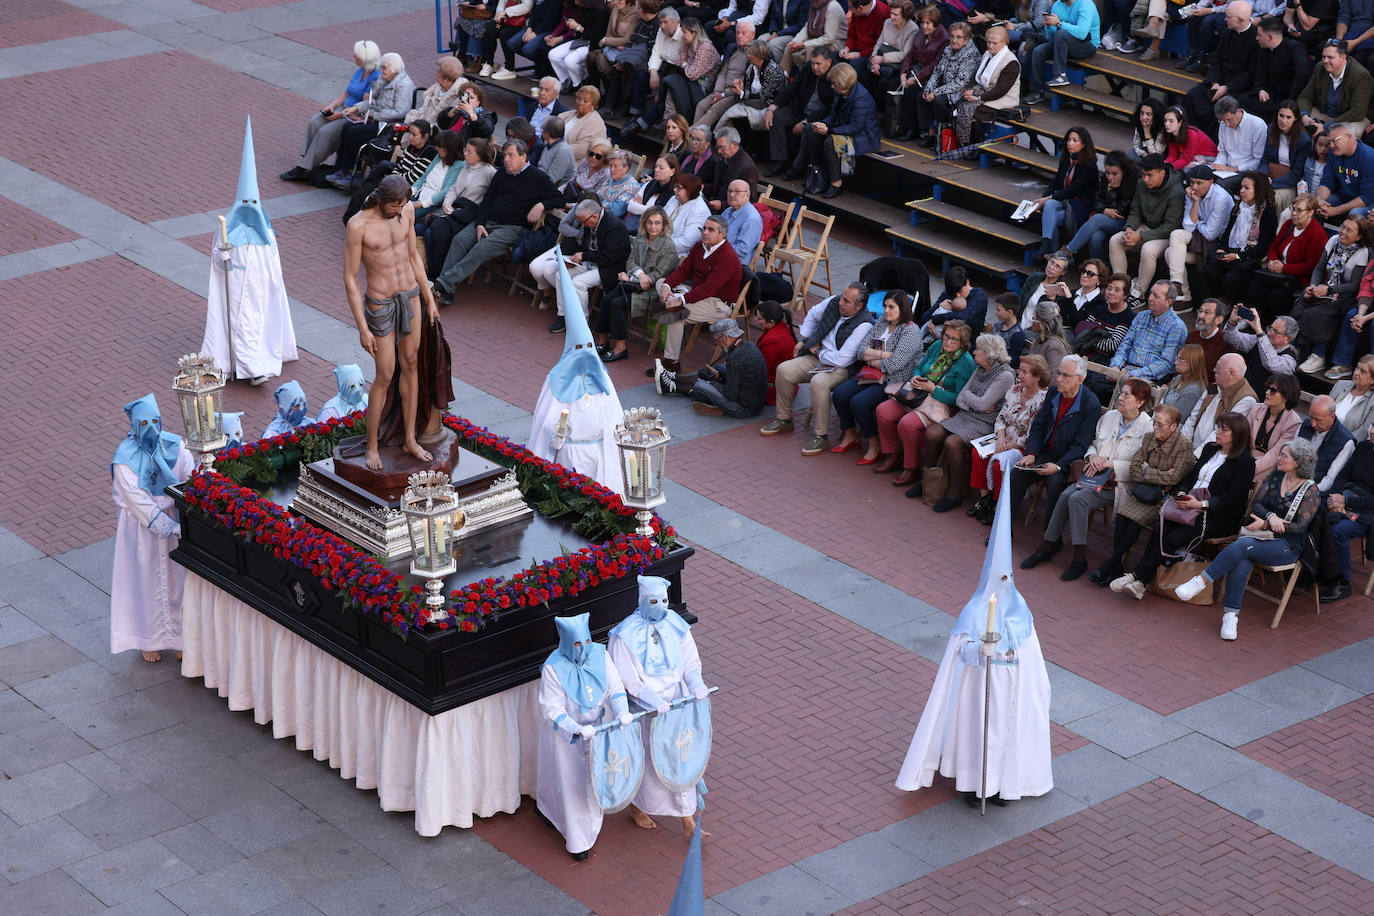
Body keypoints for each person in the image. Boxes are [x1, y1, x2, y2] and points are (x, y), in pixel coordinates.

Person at [896, 481, 1053, 809]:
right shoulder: (975, 610)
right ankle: (975, 783)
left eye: (1008, 580)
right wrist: (978, 652)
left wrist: (1023, 671)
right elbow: (960, 649)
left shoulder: (1021, 611)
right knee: (979, 734)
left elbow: (1030, 652)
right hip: (980, 685)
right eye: (999, 581)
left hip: (1011, 686)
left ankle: (1002, 786)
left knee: (1007, 734)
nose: (1004, 587)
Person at [1174, 439, 1322, 640]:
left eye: (1284, 456)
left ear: (1298, 462)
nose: (1278, 458)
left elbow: (1300, 527)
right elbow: (1258, 505)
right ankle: (1230, 616)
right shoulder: (1277, 476)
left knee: (1242, 546)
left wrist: (1265, 524)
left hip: (1287, 546)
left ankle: (1202, 581)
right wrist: (1270, 517)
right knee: (1243, 556)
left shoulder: (1310, 491)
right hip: (1259, 538)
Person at [344, 175, 444, 469]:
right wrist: (362, 327)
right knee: (385, 374)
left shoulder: (407, 211)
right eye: (395, 206)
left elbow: (413, 256)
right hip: (381, 303)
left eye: (402, 205)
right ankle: (372, 445)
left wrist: (428, 298)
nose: (399, 211)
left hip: (411, 296)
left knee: (411, 364)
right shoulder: (358, 225)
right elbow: (350, 279)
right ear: (381, 199)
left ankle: (410, 438)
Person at [1108, 411, 1256, 592]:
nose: (1218, 432)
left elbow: (1233, 497)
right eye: (1218, 427)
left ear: (1237, 435)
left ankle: (1137, 577)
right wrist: (1182, 493)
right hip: (1189, 505)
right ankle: (1142, 583)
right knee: (1158, 531)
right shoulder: (1210, 449)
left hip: (1218, 515)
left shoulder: (1245, 462)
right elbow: (1190, 476)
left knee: (1174, 537)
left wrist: (1201, 504)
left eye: (1223, 430)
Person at [608, 577, 709, 836]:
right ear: (642, 601)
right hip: (648, 709)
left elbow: (690, 661)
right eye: (653, 602)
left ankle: (687, 818)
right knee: (651, 760)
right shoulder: (624, 635)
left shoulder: (676, 625)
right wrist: (654, 701)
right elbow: (627, 679)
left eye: (664, 601)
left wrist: (696, 683)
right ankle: (638, 806)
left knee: (681, 755)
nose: (660, 606)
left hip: (679, 703)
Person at [1026, 377, 1153, 580]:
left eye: (1126, 395)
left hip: (1119, 485)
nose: (1120, 398)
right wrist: (1092, 455)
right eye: (1121, 393)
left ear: (1140, 402)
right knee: (1066, 494)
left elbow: (1142, 468)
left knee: (1076, 498)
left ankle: (1079, 559)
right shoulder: (1110, 416)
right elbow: (1092, 442)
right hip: (1093, 476)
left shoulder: (1148, 429)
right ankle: (1048, 545)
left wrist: (1112, 465)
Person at [205, 120, 300, 387]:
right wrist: (221, 256)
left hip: (258, 289)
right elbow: (216, 258)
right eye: (244, 203)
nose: (248, 208)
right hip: (234, 287)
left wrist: (271, 284)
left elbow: (274, 266)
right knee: (237, 325)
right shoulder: (226, 231)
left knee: (252, 326)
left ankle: (252, 364)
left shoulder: (266, 234)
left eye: (252, 203)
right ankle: (248, 367)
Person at [537, 613, 633, 859]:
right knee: (570, 784)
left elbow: (615, 687)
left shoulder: (601, 655)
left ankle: (581, 824)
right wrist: (576, 729)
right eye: (577, 644)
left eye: (586, 642)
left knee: (591, 783)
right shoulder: (553, 668)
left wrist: (622, 710)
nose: (583, 649)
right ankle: (577, 840)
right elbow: (553, 710)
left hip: (598, 732)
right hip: (567, 739)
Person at [110, 394, 197, 664]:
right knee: (145, 583)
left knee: (180, 582)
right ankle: (147, 638)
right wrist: (166, 524)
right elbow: (136, 499)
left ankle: (183, 637)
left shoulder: (175, 446)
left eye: (154, 420)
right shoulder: (124, 459)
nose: (150, 426)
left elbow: (188, 477)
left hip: (175, 520)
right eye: (143, 422)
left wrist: (184, 508)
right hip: (142, 531)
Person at [529, 255, 626, 489]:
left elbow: (615, 420)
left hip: (599, 456)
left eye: (588, 349)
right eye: (579, 349)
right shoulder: (557, 380)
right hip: (567, 456)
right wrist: (556, 433)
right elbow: (544, 422)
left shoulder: (602, 380)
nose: (584, 356)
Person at [431, 140, 566, 303]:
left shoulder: (538, 177)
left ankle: (441, 285)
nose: (506, 159)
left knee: (482, 248)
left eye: (511, 155)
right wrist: (480, 223)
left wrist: (541, 205)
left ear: (523, 157)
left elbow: (559, 199)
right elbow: (487, 199)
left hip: (513, 228)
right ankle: (446, 290)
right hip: (488, 221)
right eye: (505, 155)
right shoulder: (502, 172)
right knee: (460, 240)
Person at [762, 283, 878, 455]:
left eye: (846, 301)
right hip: (816, 356)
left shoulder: (864, 324)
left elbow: (843, 359)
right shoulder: (834, 301)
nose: (841, 302)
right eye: (842, 297)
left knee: (819, 382)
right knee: (784, 370)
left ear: (859, 306)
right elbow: (812, 315)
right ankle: (784, 419)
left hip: (841, 368)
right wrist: (803, 338)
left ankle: (821, 437)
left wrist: (817, 350)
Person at [1089, 403, 1195, 582]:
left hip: (1163, 498)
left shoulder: (1183, 445)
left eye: (1160, 424)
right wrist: (1156, 474)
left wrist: (1147, 471)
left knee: (1135, 519)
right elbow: (1134, 470)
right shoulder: (1149, 438)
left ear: (1173, 426)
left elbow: (1174, 479)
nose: (1155, 427)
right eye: (1154, 422)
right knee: (1123, 515)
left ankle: (1110, 565)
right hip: (1143, 493)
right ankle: (1115, 567)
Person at [873, 319, 975, 488]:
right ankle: (893, 455)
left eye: (954, 339)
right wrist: (916, 376)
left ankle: (912, 468)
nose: (948, 341)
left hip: (941, 403)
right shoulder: (936, 346)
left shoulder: (966, 362)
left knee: (907, 424)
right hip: (918, 392)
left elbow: (958, 399)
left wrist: (934, 389)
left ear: (963, 343)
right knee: (883, 411)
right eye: (946, 336)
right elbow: (919, 367)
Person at [924, 333, 1017, 510]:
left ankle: (955, 493)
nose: (974, 352)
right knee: (932, 433)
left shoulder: (1005, 375)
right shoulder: (980, 368)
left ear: (989, 353)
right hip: (966, 415)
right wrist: (974, 403)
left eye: (978, 350)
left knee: (952, 443)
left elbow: (983, 405)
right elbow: (961, 399)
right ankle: (928, 482)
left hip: (986, 422)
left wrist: (973, 400)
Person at [831, 290, 924, 461]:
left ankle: (874, 443)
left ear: (902, 308)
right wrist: (885, 354)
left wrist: (873, 357)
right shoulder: (881, 322)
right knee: (839, 394)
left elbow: (896, 364)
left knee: (858, 403)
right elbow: (860, 352)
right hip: (871, 374)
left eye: (891, 307)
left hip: (893, 380)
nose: (886, 310)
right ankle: (850, 433)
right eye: (885, 306)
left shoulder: (911, 331)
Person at [1007, 354, 1102, 520]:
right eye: (1058, 373)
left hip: (1068, 460)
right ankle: (1005, 529)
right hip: (1045, 453)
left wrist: (1058, 466)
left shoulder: (1090, 404)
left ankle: (1050, 539)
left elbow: (1081, 445)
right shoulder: (1054, 393)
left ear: (1080, 379)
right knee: (1018, 473)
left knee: (1055, 483)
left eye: (1065, 375)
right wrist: (1031, 453)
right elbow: (1038, 426)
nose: (1058, 379)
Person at [651, 215, 743, 374]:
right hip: (697, 293)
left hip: (719, 303)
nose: (705, 232)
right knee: (660, 282)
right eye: (704, 228)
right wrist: (667, 286)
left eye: (711, 230)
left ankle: (672, 363)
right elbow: (683, 270)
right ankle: (671, 304)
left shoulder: (727, 256)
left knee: (676, 316)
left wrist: (681, 300)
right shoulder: (699, 246)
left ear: (723, 234)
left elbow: (710, 288)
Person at [967, 354, 1052, 522]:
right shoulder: (1015, 389)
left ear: (1038, 377)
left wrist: (1007, 445)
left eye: (1024, 372)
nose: (1019, 375)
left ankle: (999, 505)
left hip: (1022, 445)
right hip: (1004, 437)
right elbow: (1001, 418)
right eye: (1019, 371)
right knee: (978, 453)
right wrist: (1000, 438)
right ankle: (985, 499)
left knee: (1000, 463)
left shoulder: (1043, 400)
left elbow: (1034, 433)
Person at [281, 40, 381, 181]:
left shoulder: (375, 78)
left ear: (365, 58)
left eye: (356, 55)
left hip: (353, 115)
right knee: (315, 121)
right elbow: (346, 93)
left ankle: (304, 168)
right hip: (343, 108)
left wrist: (339, 115)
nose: (354, 57)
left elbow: (362, 105)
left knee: (325, 132)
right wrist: (332, 105)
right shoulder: (359, 71)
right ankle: (307, 160)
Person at [596, 206, 680, 362]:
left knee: (617, 304)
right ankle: (603, 341)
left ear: (664, 225)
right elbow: (631, 261)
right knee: (606, 299)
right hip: (635, 284)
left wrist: (633, 277)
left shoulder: (669, 247)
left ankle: (621, 348)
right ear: (644, 223)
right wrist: (639, 275)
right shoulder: (641, 238)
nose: (653, 227)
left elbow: (657, 276)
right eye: (649, 222)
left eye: (657, 223)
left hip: (654, 291)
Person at [535, 200, 632, 333]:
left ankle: (582, 323)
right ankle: (563, 317)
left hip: (609, 268)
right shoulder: (590, 222)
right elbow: (587, 247)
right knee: (561, 274)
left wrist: (584, 256)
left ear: (594, 216)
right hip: (592, 262)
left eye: (583, 222)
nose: (582, 225)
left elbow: (610, 257)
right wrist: (574, 259)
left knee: (578, 283)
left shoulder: (614, 226)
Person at [325, 53, 417, 189]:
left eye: (384, 68)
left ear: (394, 68)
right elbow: (372, 101)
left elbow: (401, 112)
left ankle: (354, 174)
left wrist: (375, 115)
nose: (381, 70)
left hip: (387, 126)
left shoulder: (405, 85)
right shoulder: (384, 78)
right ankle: (341, 169)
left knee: (355, 133)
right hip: (375, 118)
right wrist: (356, 108)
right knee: (347, 128)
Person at [790, 62, 881, 198]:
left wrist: (829, 130)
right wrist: (823, 124)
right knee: (811, 130)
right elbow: (833, 115)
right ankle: (819, 175)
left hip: (863, 137)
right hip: (845, 129)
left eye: (834, 83)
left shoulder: (862, 98)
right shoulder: (840, 93)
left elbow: (855, 128)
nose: (831, 86)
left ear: (843, 83)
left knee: (831, 142)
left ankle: (836, 183)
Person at [1295, 217, 1372, 373]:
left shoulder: (1362, 252)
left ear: (1359, 236)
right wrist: (1313, 286)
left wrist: (1329, 290)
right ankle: (1296, 347)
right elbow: (1319, 269)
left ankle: (1319, 355)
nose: (1343, 232)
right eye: (1343, 227)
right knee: (1302, 301)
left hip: (1345, 293)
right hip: (1326, 286)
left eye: (1349, 230)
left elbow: (1354, 285)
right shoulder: (1333, 240)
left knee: (1322, 312)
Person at [1107, 154, 1185, 301]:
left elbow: (1170, 227)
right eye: (1143, 175)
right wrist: (1130, 228)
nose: (1145, 179)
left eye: (1150, 175)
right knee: (1115, 240)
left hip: (1167, 236)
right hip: (1146, 227)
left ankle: (1139, 292)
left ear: (1162, 173)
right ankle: (1121, 285)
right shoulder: (1141, 184)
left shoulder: (1176, 191)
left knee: (1148, 249)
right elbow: (1135, 211)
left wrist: (1140, 236)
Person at [655, 317, 769, 416]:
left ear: (725, 337)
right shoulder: (746, 345)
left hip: (743, 408)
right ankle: (674, 379)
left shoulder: (735, 358)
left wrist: (713, 383)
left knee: (701, 385)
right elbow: (741, 376)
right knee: (717, 370)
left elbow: (730, 394)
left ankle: (671, 386)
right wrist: (719, 375)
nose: (716, 343)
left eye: (716, 339)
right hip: (753, 400)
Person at [422, 138, 498, 278]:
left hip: (469, 215)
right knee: (426, 231)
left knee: (435, 230)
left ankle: (436, 275)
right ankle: (435, 272)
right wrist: (447, 204)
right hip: (454, 210)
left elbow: (491, 198)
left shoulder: (489, 172)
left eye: (469, 152)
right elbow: (453, 190)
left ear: (480, 155)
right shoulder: (466, 168)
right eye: (465, 150)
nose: (465, 154)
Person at [1200, 171, 1277, 306]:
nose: (1241, 191)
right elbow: (1227, 233)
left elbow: (1263, 247)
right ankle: (1222, 301)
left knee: (1232, 279)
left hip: (1251, 256)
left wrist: (1237, 256)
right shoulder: (1238, 207)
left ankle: (1240, 308)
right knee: (1210, 267)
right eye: (1241, 187)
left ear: (1258, 190)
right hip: (1233, 251)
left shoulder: (1267, 212)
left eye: (1246, 188)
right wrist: (1222, 248)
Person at [1183, 2, 1258, 132]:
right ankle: (1189, 135)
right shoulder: (1226, 32)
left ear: (1240, 20)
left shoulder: (1256, 39)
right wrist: (1215, 81)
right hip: (1219, 80)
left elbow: (1251, 73)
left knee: (1220, 108)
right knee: (1192, 95)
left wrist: (1227, 87)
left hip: (1238, 86)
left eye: (1228, 17)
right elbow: (1216, 59)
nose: (1225, 19)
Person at [1171, 163, 1237, 304]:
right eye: (1192, 182)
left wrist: (1197, 222)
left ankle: (1184, 297)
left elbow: (1210, 234)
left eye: (1199, 183)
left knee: (1170, 252)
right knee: (1176, 237)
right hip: (1198, 237)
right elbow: (1188, 227)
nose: (1194, 187)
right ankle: (1179, 289)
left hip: (1216, 243)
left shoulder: (1221, 199)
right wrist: (1195, 203)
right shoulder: (1192, 195)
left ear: (1211, 182)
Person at [1031, 128, 1099, 260]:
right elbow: (1056, 181)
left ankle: (1053, 255)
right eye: (1068, 140)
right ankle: (1052, 252)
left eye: (1075, 140)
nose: (1070, 143)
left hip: (1079, 206)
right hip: (1066, 201)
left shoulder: (1090, 165)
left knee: (1050, 208)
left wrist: (1048, 198)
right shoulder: (1066, 159)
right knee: (1050, 210)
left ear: (1084, 144)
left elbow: (1074, 189)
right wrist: (1043, 197)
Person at [1323, 423, 1374, 599]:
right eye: (1373, 425)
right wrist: (1334, 497)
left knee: (1337, 531)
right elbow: (1343, 475)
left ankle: (1342, 582)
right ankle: (1314, 571)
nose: (1372, 431)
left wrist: (1345, 501)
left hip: (1368, 513)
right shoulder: (1365, 447)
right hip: (1346, 498)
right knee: (1315, 516)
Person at [1059, 151, 1136, 264]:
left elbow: (1120, 211)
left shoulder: (1132, 183)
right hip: (1107, 219)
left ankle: (1067, 252)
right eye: (1108, 173)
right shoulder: (1105, 179)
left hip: (1126, 223)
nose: (1110, 177)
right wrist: (1105, 209)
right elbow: (1097, 201)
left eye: (1115, 174)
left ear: (1124, 172)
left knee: (1097, 219)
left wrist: (1112, 193)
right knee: (1096, 237)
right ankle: (1099, 269)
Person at [911, 21, 980, 147]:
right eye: (952, 36)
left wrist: (935, 92)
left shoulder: (971, 54)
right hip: (946, 86)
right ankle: (930, 132)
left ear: (966, 39)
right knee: (921, 95)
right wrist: (929, 89)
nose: (954, 40)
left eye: (959, 37)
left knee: (938, 101)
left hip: (962, 91)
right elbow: (937, 71)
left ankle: (942, 135)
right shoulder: (948, 48)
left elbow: (960, 83)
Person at [952, 25, 1022, 148]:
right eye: (988, 42)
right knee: (957, 101)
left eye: (995, 43)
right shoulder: (988, 54)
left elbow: (1000, 91)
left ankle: (972, 146)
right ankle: (967, 144)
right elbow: (981, 81)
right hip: (987, 92)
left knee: (968, 109)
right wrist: (972, 91)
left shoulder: (1011, 63)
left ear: (1004, 42)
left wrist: (978, 98)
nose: (990, 46)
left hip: (1003, 99)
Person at [1022, 0, 1099, 105]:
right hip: (1064, 42)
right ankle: (1036, 91)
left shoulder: (1085, 4)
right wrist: (1048, 26)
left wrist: (1059, 23)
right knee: (1038, 51)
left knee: (1062, 33)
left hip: (1087, 45)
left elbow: (1082, 33)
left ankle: (1060, 75)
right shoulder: (1057, 5)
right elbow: (1053, 37)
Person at [1110, 280, 1188, 382]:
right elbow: (1126, 344)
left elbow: (1166, 363)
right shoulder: (1142, 316)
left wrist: (1132, 375)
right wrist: (1115, 366)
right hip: (1126, 369)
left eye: (1156, 296)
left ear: (1168, 302)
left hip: (1149, 378)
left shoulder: (1176, 327)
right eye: (1150, 293)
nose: (1150, 298)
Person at [890, 7, 950, 141]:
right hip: (915, 69)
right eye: (922, 22)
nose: (924, 26)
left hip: (931, 76)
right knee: (893, 83)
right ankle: (895, 124)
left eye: (928, 23)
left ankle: (910, 128)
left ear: (936, 23)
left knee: (912, 91)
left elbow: (935, 65)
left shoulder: (944, 39)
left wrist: (916, 78)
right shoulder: (920, 33)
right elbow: (910, 55)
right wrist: (903, 73)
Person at [1182, 351, 1259, 453]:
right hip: (1190, 448)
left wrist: (1196, 456)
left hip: (1211, 455)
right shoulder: (1215, 386)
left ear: (1231, 373)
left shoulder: (1246, 399)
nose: (1214, 370)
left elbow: (1222, 433)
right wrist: (1181, 445)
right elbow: (1193, 417)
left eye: (1218, 367)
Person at [1297, 40, 1374, 135]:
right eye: (1324, 57)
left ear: (1343, 57)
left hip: (1351, 119)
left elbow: (1357, 112)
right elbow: (1305, 96)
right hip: (1324, 113)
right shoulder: (1320, 67)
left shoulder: (1361, 76)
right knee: (1295, 122)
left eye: (1330, 57)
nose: (1325, 61)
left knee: (1344, 135)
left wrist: (1327, 126)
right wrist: (1304, 116)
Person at [1225, 311, 1301, 395]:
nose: (1269, 333)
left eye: (1275, 331)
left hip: (1263, 404)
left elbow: (1271, 364)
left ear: (1288, 339)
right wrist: (1232, 323)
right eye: (1270, 328)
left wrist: (1259, 332)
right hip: (1241, 394)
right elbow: (1231, 338)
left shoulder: (1290, 361)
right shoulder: (1260, 341)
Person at [1247, 372, 1303, 480]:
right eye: (1268, 388)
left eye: (1273, 391)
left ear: (1286, 395)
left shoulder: (1293, 423)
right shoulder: (1256, 409)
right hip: (1246, 459)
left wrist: (1249, 468)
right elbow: (1242, 438)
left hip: (1269, 467)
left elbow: (1275, 455)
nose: (1267, 392)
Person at [1298, 394, 1357, 490]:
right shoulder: (1306, 424)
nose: (1312, 424)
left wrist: (1306, 493)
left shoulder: (1346, 442)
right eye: (1311, 417)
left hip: (1315, 490)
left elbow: (1330, 480)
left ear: (1332, 416)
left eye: (1317, 420)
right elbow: (1292, 455)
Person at [1261, 101, 1312, 212]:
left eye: (1288, 117)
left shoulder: (1303, 140)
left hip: (1289, 183)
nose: (1283, 121)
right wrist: (1263, 178)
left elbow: (1297, 174)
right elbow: (1265, 159)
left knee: (1269, 198)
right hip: (1269, 177)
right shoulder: (1272, 129)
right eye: (1281, 116)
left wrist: (1271, 183)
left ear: (1295, 119)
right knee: (1250, 191)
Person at [1317, 121, 1374, 220]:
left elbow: (1366, 198)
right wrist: (1318, 200)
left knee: (1354, 214)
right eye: (1329, 142)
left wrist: (1335, 211)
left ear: (1349, 137)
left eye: (1334, 140)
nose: (1331, 145)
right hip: (1343, 197)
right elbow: (1326, 183)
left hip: (1366, 203)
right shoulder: (1333, 153)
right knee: (1318, 208)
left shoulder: (1369, 157)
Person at [1071, 271, 1134, 359]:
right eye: (1109, 288)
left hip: (1104, 360)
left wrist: (1090, 340)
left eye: (1117, 290)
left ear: (1125, 295)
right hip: (1084, 353)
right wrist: (1094, 338)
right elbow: (1083, 330)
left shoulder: (1128, 316)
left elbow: (1112, 345)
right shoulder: (1099, 308)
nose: (1111, 292)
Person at [1211, 96, 1268, 192]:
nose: (1227, 124)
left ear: (1238, 111)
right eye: (1223, 121)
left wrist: (1235, 169)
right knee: (1201, 176)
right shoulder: (1223, 124)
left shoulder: (1257, 125)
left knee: (1221, 185)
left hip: (1246, 171)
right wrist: (1217, 165)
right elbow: (1222, 152)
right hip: (1227, 169)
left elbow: (1259, 160)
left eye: (1229, 119)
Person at [754, 299, 798, 406]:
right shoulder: (779, 327)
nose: (755, 320)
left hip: (774, 390)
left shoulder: (773, 341)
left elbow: (761, 369)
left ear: (771, 322)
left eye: (759, 318)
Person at [1183, 297, 1235, 381]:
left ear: (1218, 319)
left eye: (1207, 312)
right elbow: (1182, 363)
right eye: (1200, 311)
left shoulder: (1226, 342)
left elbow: (1220, 378)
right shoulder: (1191, 336)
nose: (1200, 316)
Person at [708, 128, 760, 208]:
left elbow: (750, 200)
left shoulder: (748, 167)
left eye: (722, 147)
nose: (718, 151)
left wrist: (722, 205)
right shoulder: (723, 159)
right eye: (717, 147)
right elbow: (717, 187)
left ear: (735, 144)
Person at [664, 172, 712, 256]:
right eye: (675, 186)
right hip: (658, 243)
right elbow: (659, 217)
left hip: (677, 255)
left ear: (690, 190)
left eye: (679, 188)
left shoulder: (699, 210)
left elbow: (686, 243)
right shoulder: (675, 198)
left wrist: (658, 245)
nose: (674, 190)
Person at [1161, 105, 1218, 172]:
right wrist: (1165, 165)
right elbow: (1173, 156)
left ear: (1180, 123)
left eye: (1171, 121)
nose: (1167, 124)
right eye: (1165, 120)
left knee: (1186, 169)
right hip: (1193, 155)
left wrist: (1168, 168)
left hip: (1209, 157)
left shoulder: (1192, 134)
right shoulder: (1171, 134)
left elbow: (1185, 159)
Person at [1160, 343, 1208, 422]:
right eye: (1177, 358)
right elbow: (1163, 401)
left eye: (1181, 359)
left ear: (1193, 362)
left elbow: (1177, 419)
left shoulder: (1193, 390)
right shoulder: (1178, 378)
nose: (1175, 362)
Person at [1328, 354, 1374, 438]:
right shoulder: (1340, 385)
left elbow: (1363, 432)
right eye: (1357, 368)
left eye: (1362, 371)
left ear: (1372, 380)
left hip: (1347, 445)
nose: (1356, 373)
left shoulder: (1372, 401)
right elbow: (1323, 411)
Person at [559, 86, 610, 160]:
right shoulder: (570, 114)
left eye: (585, 101)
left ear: (593, 104)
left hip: (575, 164)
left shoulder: (595, 122)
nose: (580, 103)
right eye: (579, 99)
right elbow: (552, 128)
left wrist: (556, 149)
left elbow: (582, 150)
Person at [722, 179, 763, 264]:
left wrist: (716, 245)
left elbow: (741, 251)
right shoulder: (728, 210)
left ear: (747, 194)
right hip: (718, 255)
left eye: (737, 191)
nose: (732, 195)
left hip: (733, 264)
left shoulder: (751, 219)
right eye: (729, 191)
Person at [1026, 300, 1071, 374]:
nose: (1032, 321)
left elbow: (1053, 377)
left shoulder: (1054, 346)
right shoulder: (1039, 339)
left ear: (1043, 324)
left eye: (1034, 318)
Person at [537, 117, 576, 187]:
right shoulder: (548, 144)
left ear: (547, 134)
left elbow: (550, 180)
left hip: (555, 190)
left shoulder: (563, 151)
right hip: (541, 181)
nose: (541, 132)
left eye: (542, 129)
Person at [992, 292, 1028, 367]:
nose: (995, 312)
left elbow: (1013, 360)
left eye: (998, 310)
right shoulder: (997, 326)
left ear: (1009, 312)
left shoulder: (1017, 334)